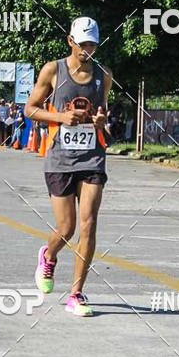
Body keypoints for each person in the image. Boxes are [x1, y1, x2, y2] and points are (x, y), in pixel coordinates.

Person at [25, 16, 112, 317]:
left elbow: (103, 115)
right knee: (67, 227)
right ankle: (48, 255)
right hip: (60, 158)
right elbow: (30, 109)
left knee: (88, 222)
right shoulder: (53, 70)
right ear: (70, 42)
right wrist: (60, 118)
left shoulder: (104, 75)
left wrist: (101, 122)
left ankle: (76, 293)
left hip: (92, 157)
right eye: (82, 44)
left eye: (92, 45)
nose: (87, 50)